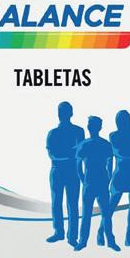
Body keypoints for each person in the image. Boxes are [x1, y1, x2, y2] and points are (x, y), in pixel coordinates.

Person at [97, 110, 130, 247]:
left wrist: (127, 154)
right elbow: (119, 153)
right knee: (111, 205)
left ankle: (128, 234)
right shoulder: (116, 136)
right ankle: (101, 231)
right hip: (123, 173)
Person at [74, 116, 120, 252]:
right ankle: (107, 241)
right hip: (98, 182)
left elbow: (78, 165)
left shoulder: (85, 144)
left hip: (92, 182)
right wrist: (108, 178)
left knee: (89, 214)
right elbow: (110, 164)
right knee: (104, 214)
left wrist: (83, 179)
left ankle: (84, 242)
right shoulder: (104, 144)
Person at [46, 101, 85, 246]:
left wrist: (66, 154)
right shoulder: (55, 133)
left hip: (68, 171)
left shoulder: (77, 131)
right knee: (58, 202)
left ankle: (72, 236)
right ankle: (60, 232)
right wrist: (71, 154)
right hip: (61, 171)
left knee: (72, 204)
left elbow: (80, 152)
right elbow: (52, 154)